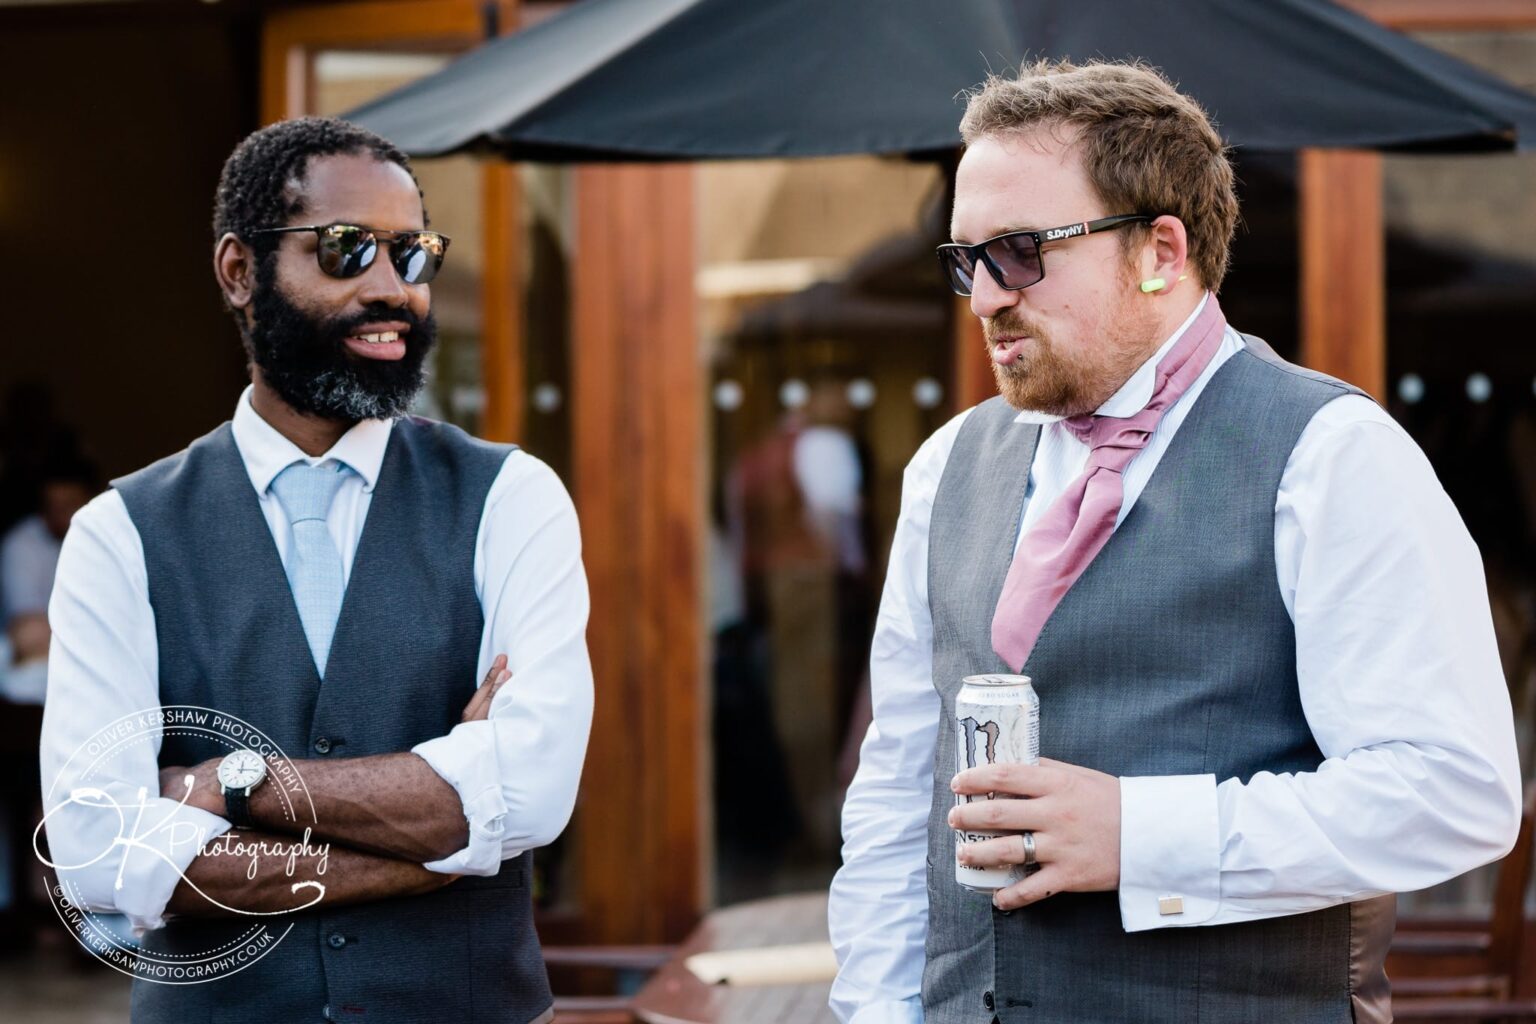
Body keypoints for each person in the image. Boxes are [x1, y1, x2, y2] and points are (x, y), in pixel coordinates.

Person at [829, 60, 1521, 1024]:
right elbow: (899, 791)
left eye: (1020, 253)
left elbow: (1454, 792)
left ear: (1161, 250)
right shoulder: (947, 466)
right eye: (965, 262)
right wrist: (874, 1010)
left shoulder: (1334, 456)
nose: (984, 298)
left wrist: (1141, 833)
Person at [39, 117, 591, 1023]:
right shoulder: (120, 534)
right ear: (238, 270)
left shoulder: (511, 497)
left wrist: (225, 784)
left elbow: (530, 792)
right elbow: (98, 846)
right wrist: (439, 837)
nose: (390, 288)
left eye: (412, 255)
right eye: (347, 249)